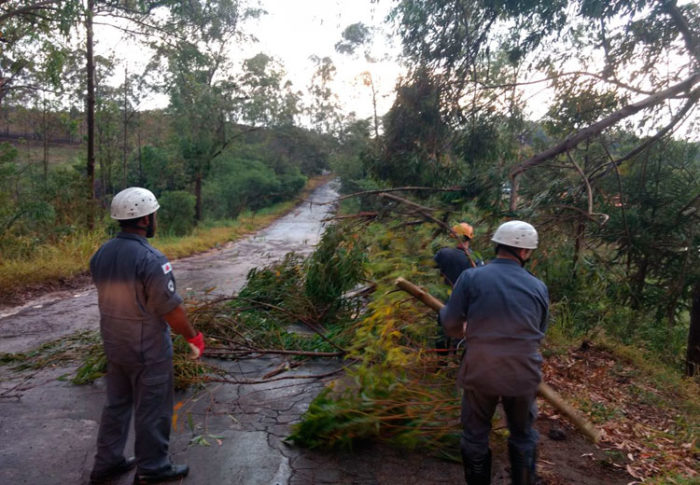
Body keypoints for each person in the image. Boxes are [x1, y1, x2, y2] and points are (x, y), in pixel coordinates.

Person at [88, 187, 205, 485]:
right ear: (144, 220)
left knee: (116, 405)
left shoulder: (102, 253)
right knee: (152, 409)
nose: (156, 220)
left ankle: (107, 462)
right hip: (147, 350)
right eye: (154, 215)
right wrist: (192, 337)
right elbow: (171, 311)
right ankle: (153, 468)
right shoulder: (152, 259)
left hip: (115, 346)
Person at [439, 220, 549, 485]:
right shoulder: (538, 287)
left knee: (475, 436)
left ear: (498, 245)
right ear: (524, 252)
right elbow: (539, 331)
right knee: (523, 435)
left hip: (481, 368)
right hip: (523, 371)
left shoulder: (472, 277)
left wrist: (464, 327)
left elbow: (451, 324)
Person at [434, 222, 483, 287]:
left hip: (444, 293)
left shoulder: (444, 253)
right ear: (469, 238)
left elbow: (431, 267)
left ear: (454, 236)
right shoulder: (476, 258)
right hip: (468, 295)